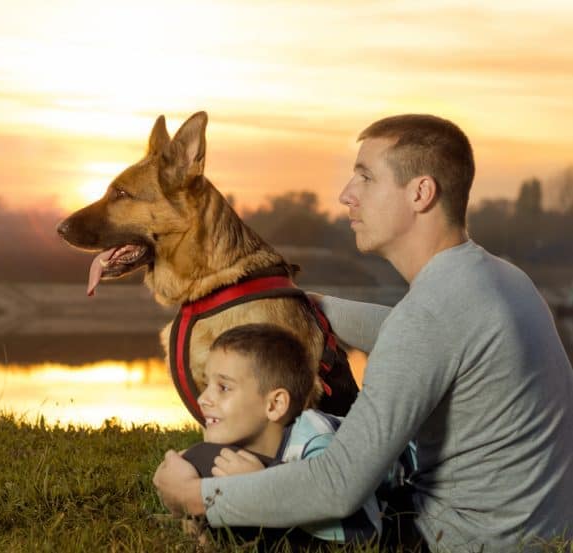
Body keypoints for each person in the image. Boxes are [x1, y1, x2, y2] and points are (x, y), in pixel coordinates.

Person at [153, 114, 573, 552]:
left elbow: (338, 485)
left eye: (366, 178)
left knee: (209, 465)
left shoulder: (430, 316)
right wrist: (293, 302)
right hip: (541, 529)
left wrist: (199, 497)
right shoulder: (499, 279)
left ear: (420, 193)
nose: (346, 196)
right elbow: (404, 332)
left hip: (460, 541)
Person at [180, 323, 383, 548]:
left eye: (224, 387)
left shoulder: (317, 443)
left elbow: (366, 530)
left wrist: (264, 484)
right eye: (207, 384)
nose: (203, 399)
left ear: (275, 404)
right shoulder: (245, 438)